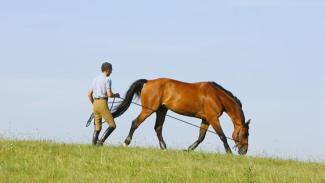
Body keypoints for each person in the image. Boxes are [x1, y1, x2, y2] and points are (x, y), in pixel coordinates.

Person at [88, 62, 120, 146]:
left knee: (97, 127)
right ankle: (100, 142)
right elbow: (109, 94)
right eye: (111, 70)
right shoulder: (107, 79)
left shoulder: (95, 79)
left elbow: (89, 94)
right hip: (103, 103)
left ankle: (93, 146)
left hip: (95, 103)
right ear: (107, 70)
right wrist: (116, 95)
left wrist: (94, 103)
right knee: (112, 125)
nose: (111, 72)